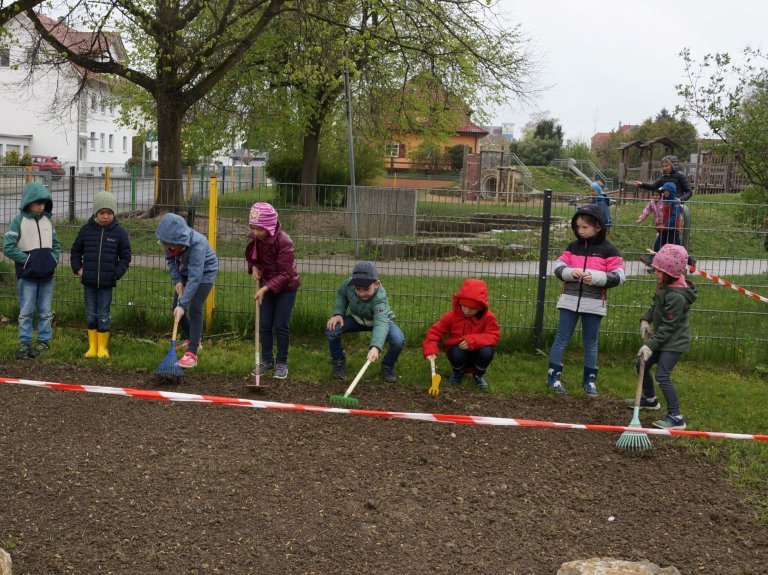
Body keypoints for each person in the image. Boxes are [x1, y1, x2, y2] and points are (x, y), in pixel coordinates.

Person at [547, 204, 625, 396]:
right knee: (561, 340)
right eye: (577, 227)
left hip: (594, 304)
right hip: (568, 301)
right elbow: (558, 267)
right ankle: (553, 378)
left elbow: (619, 276)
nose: (580, 231)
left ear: (598, 226)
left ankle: (589, 382)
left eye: (584, 227)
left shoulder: (609, 250)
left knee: (591, 343)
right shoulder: (572, 248)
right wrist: (569, 272)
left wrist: (596, 278)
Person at [631, 243, 697, 430]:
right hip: (663, 339)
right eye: (655, 269)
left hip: (673, 342)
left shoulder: (677, 296)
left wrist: (650, 345)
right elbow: (655, 308)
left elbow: (669, 327)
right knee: (641, 364)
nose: (656, 273)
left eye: (660, 271)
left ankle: (676, 417)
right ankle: (650, 400)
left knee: (662, 375)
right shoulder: (665, 287)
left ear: (673, 273)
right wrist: (645, 319)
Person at [70, 192, 131, 359]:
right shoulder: (85, 231)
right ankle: (92, 347)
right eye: (102, 213)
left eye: (109, 213)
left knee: (103, 314)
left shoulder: (120, 233)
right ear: (95, 213)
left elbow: (125, 257)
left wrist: (115, 274)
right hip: (88, 282)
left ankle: (103, 347)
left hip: (106, 284)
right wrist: (78, 269)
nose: (106, 216)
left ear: (114, 214)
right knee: (91, 313)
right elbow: (75, 251)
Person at [3, 182, 60, 359]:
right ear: (28, 202)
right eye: (37, 202)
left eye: (44, 203)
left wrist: (52, 259)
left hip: (46, 277)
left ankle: (44, 342)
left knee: (45, 312)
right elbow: (8, 247)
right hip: (26, 276)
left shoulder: (48, 222)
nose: (41, 206)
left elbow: (56, 245)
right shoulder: (18, 222)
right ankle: (24, 343)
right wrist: (27, 260)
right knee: (26, 311)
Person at [155, 213, 218, 368]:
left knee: (195, 307)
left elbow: (196, 276)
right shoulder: (169, 242)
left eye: (172, 246)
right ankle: (194, 339)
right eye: (166, 245)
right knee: (175, 311)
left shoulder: (198, 243)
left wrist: (183, 305)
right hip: (184, 273)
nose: (169, 248)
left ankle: (192, 353)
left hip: (204, 273)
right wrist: (177, 280)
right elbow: (171, 260)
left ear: (181, 241)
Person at [245, 202, 300, 379]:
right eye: (252, 228)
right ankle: (267, 360)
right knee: (265, 324)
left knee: (280, 325)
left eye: (259, 229)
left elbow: (286, 273)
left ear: (269, 226)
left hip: (287, 288)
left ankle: (282, 363)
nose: (255, 232)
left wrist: (265, 288)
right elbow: (252, 257)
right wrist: (253, 267)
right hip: (266, 285)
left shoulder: (284, 242)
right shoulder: (256, 239)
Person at [325, 261, 404, 383]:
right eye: (358, 289)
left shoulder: (380, 300)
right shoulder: (349, 284)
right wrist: (338, 314)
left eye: (366, 289)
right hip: (357, 318)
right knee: (332, 329)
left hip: (380, 321)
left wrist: (375, 347)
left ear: (376, 284)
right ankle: (338, 362)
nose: (361, 293)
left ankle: (387, 366)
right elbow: (341, 294)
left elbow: (381, 324)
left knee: (398, 340)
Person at [422, 278, 501, 390]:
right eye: (464, 306)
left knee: (487, 351)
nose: (467, 311)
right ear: (459, 303)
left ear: (480, 307)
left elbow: (494, 335)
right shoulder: (451, 316)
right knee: (454, 351)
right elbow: (434, 332)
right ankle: (458, 373)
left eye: (472, 308)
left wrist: (472, 341)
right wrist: (430, 350)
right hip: (458, 352)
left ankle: (478, 375)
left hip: (478, 352)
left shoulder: (488, 317)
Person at [635, 187, 664, 271]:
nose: (655, 197)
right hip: (658, 227)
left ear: (661, 195)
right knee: (658, 245)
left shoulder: (665, 202)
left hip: (667, 227)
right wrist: (641, 218)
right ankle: (654, 265)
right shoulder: (652, 203)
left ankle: (690, 261)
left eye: (657, 195)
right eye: (654, 195)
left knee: (665, 246)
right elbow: (647, 210)